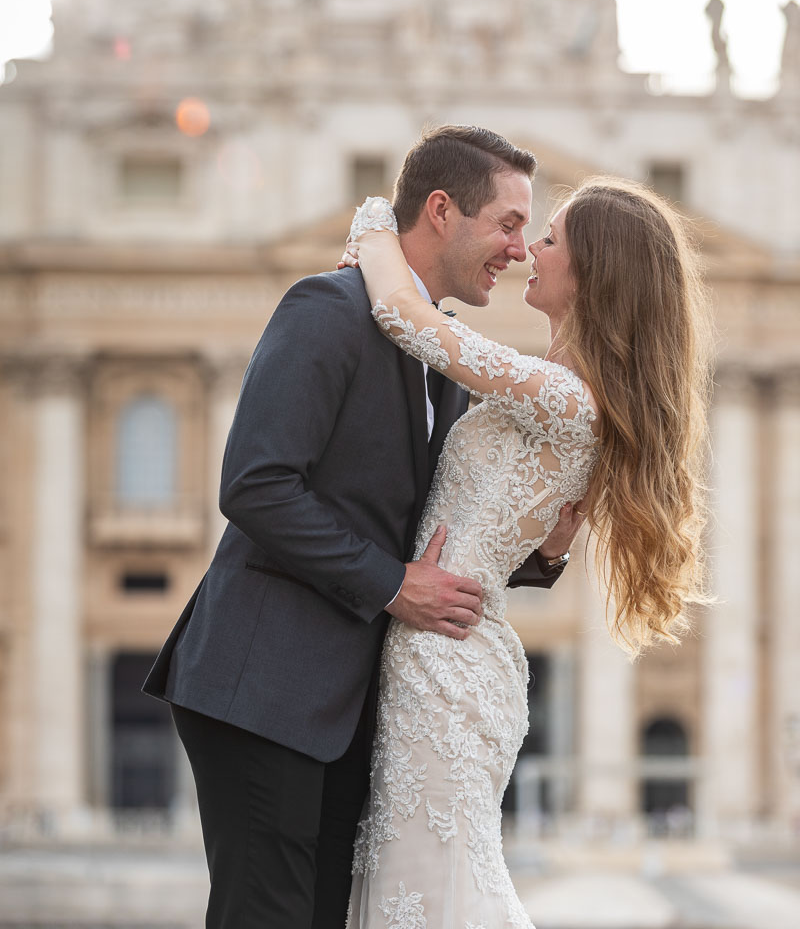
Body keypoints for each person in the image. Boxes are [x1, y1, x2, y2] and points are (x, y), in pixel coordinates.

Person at [143, 125, 583, 929]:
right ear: (443, 211)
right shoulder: (328, 307)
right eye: (509, 223)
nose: (519, 250)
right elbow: (256, 484)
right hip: (268, 683)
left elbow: (450, 519)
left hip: (354, 701)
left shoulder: (434, 347)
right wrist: (392, 585)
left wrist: (545, 553)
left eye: (532, 230)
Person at [341, 176, 712, 928]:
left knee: (426, 891)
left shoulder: (563, 396)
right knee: (426, 885)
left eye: (550, 239)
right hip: (448, 649)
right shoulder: (564, 395)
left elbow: (401, 314)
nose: (527, 250)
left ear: (592, 274)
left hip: (443, 664)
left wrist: (378, 220)